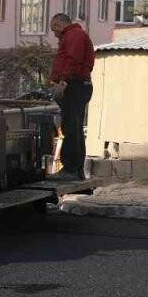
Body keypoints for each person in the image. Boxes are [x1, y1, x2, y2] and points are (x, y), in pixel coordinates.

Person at [48, 13, 94, 179]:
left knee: (71, 128)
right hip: (77, 85)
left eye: (54, 29)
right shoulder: (74, 35)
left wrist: (63, 82)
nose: (54, 34)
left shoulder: (74, 36)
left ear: (60, 25)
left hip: (75, 86)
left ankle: (71, 169)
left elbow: (73, 60)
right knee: (73, 127)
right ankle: (75, 169)